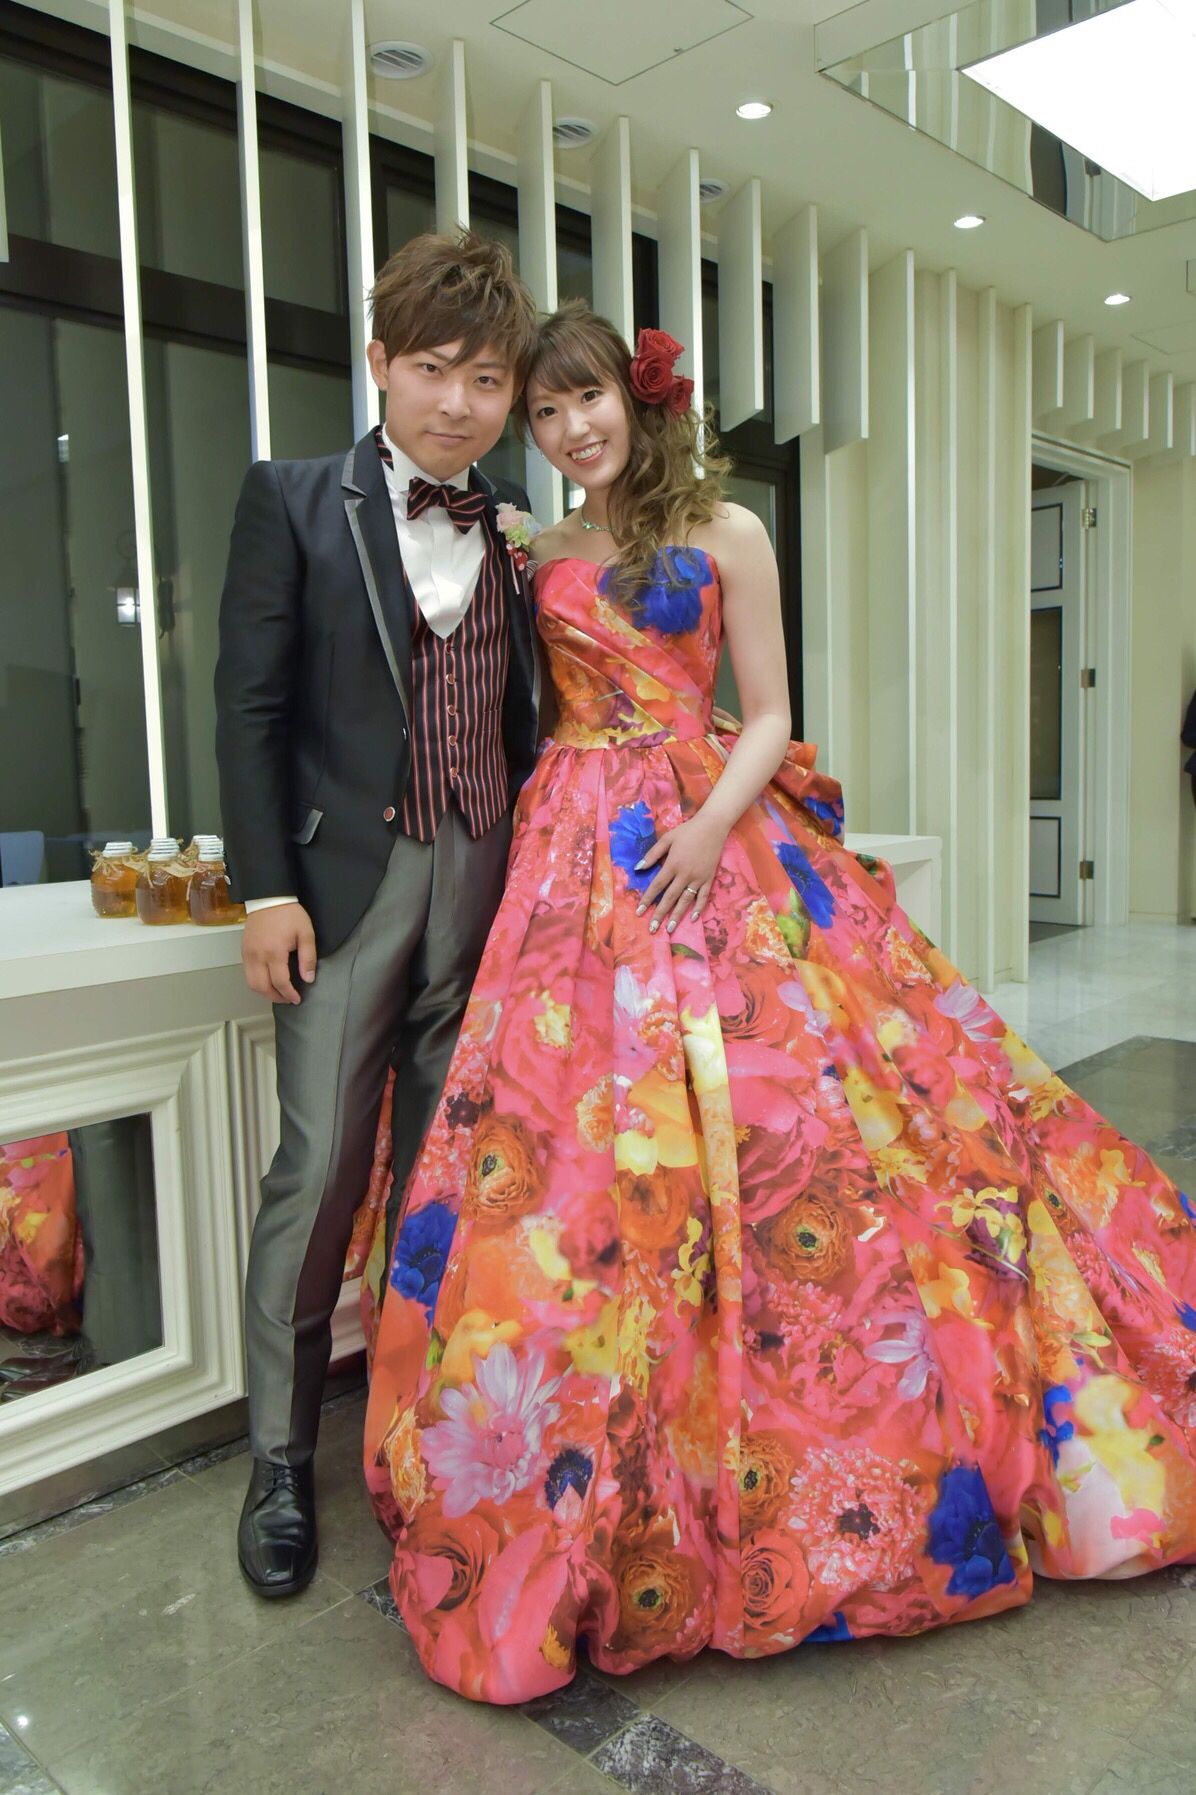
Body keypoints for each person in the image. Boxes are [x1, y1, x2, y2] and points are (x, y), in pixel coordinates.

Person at [363, 300, 1196, 1704]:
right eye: (546, 410)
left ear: (641, 399)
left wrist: (703, 830)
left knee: (805, 1118)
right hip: (569, 849)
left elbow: (766, 712)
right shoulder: (534, 550)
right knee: (575, 1137)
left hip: (709, 832)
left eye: (588, 399)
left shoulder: (727, 531)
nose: (569, 429)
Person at [214, 232, 540, 1598]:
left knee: (442, 1175)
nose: (458, 402)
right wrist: (265, 889)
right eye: (432, 370)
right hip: (345, 888)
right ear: (379, 363)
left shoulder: (517, 522)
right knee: (320, 1173)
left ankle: (414, 1436)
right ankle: (279, 1462)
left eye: (486, 379)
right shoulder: (294, 499)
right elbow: (250, 709)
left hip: (488, 880)